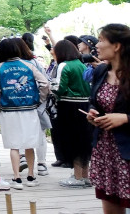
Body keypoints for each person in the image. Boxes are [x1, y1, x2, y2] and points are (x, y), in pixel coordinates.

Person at [0, 37, 49, 190]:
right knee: (30, 143)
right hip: (29, 109)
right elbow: (45, 83)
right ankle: (31, 176)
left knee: (14, 145)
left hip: (9, 110)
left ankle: (17, 178)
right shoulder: (29, 65)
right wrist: (39, 99)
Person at [87, 24, 130, 213]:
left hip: (127, 152)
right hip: (106, 151)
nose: (97, 45)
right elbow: (93, 101)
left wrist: (126, 118)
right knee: (111, 208)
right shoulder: (101, 71)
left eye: (102, 40)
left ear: (117, 46)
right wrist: (92, 114)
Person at [51, 39, 92, 187]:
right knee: (84, 141)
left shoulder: (64, 65)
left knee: (72, 140)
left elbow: (59, 87)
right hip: (85, 105)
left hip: (68, 106)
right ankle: (85, 176)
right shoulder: (81, 64)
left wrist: (50, 87)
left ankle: (77, 177)